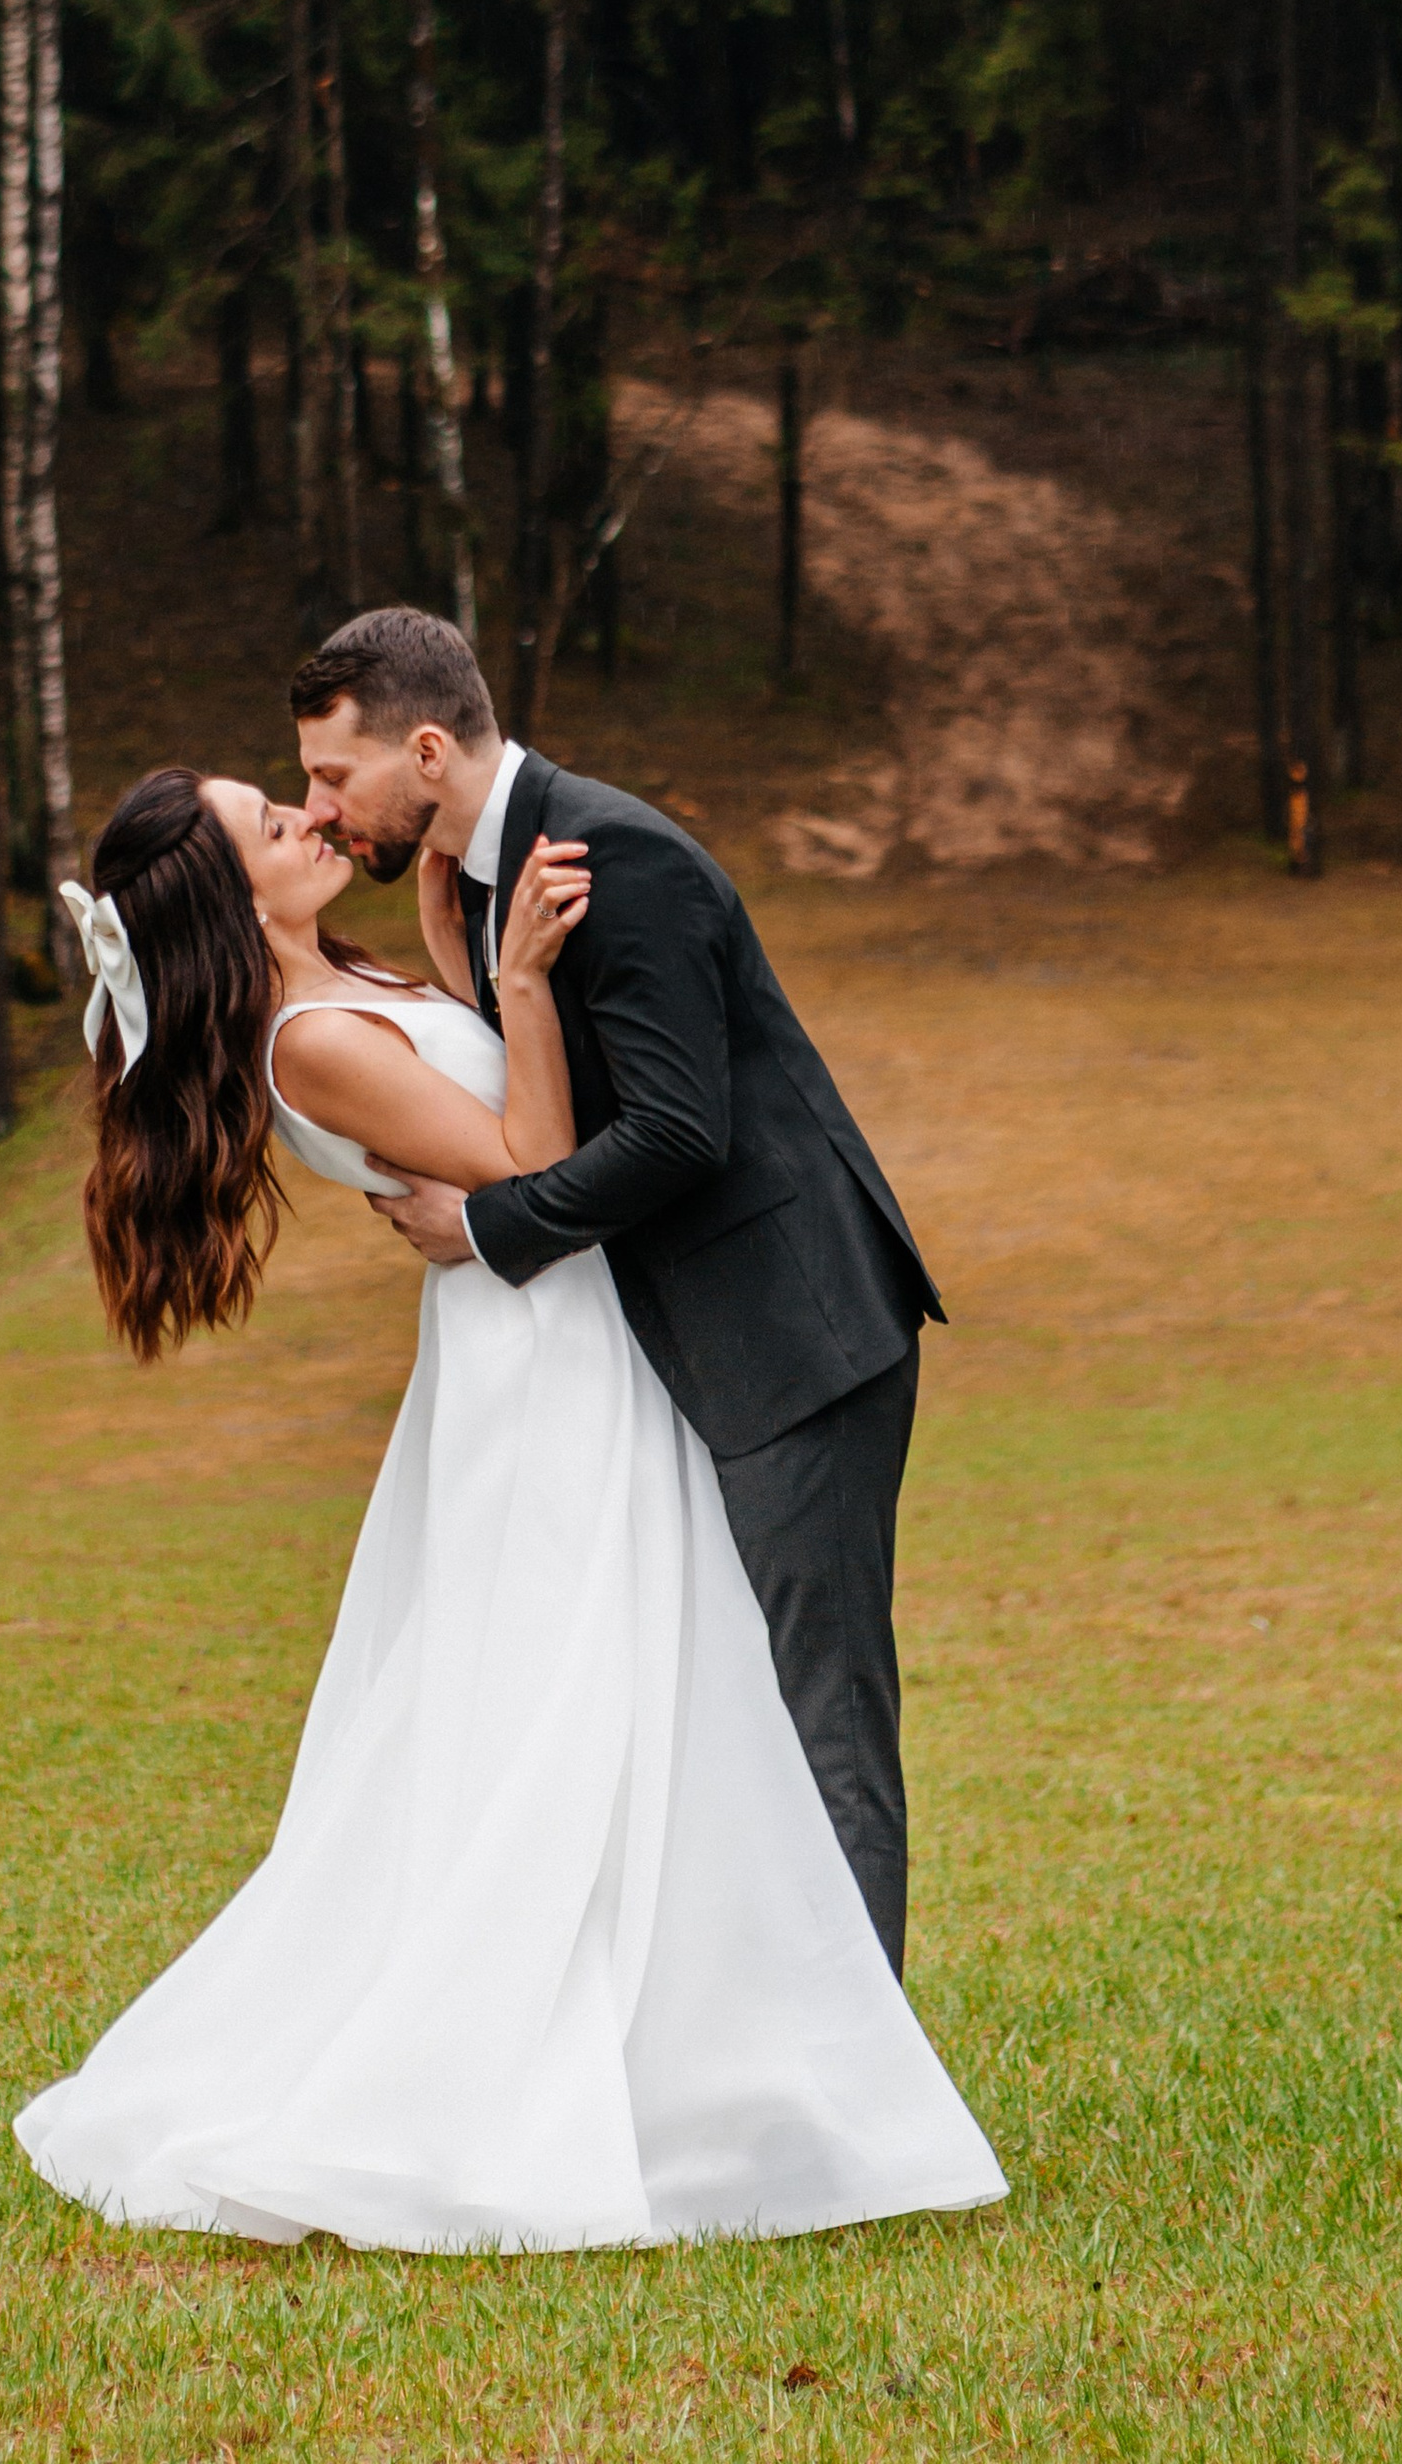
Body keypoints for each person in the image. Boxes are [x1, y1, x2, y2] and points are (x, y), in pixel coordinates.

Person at [11, 742, 1002, 2255]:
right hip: (543, 1370)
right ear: (227, 892)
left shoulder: (344, 981)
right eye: (272, 823)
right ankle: (536, 2070)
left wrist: (456, 960)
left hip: (565, 1333)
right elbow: (535, 1151)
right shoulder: (306, 1041)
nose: (307, 818)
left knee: (634, 1698)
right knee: (564, 1704)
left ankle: (714, 2056)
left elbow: (492, 1137)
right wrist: (525, 985)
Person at [293, 605, 942, 1975]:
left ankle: (868, 2094)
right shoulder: (477, 878)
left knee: (813, 1718)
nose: (320, 808)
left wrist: (490, 1223)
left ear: (424, 749)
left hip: (791, 1331)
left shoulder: (610, 857)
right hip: (686, 1346)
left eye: (332, 777)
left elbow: (675, 1132)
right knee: (729, 1720)